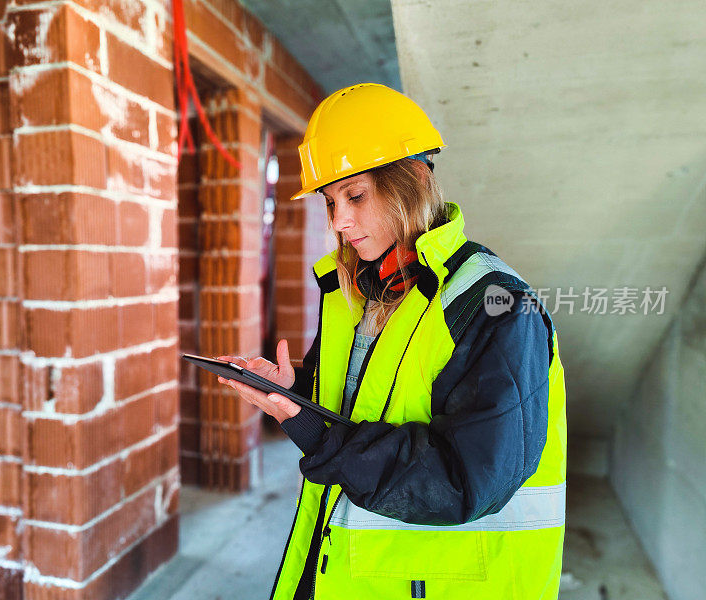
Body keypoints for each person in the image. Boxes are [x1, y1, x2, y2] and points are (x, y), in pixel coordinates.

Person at [217, 83, 567, 600]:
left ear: (412, 180)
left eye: (355, 195)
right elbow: (361, 401)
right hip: (349, 573)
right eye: (330, 201)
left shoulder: (494, 307)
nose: (338, 221)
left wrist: (316, 434)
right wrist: (297, 391)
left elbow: (466, 476)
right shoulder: (359, 294)